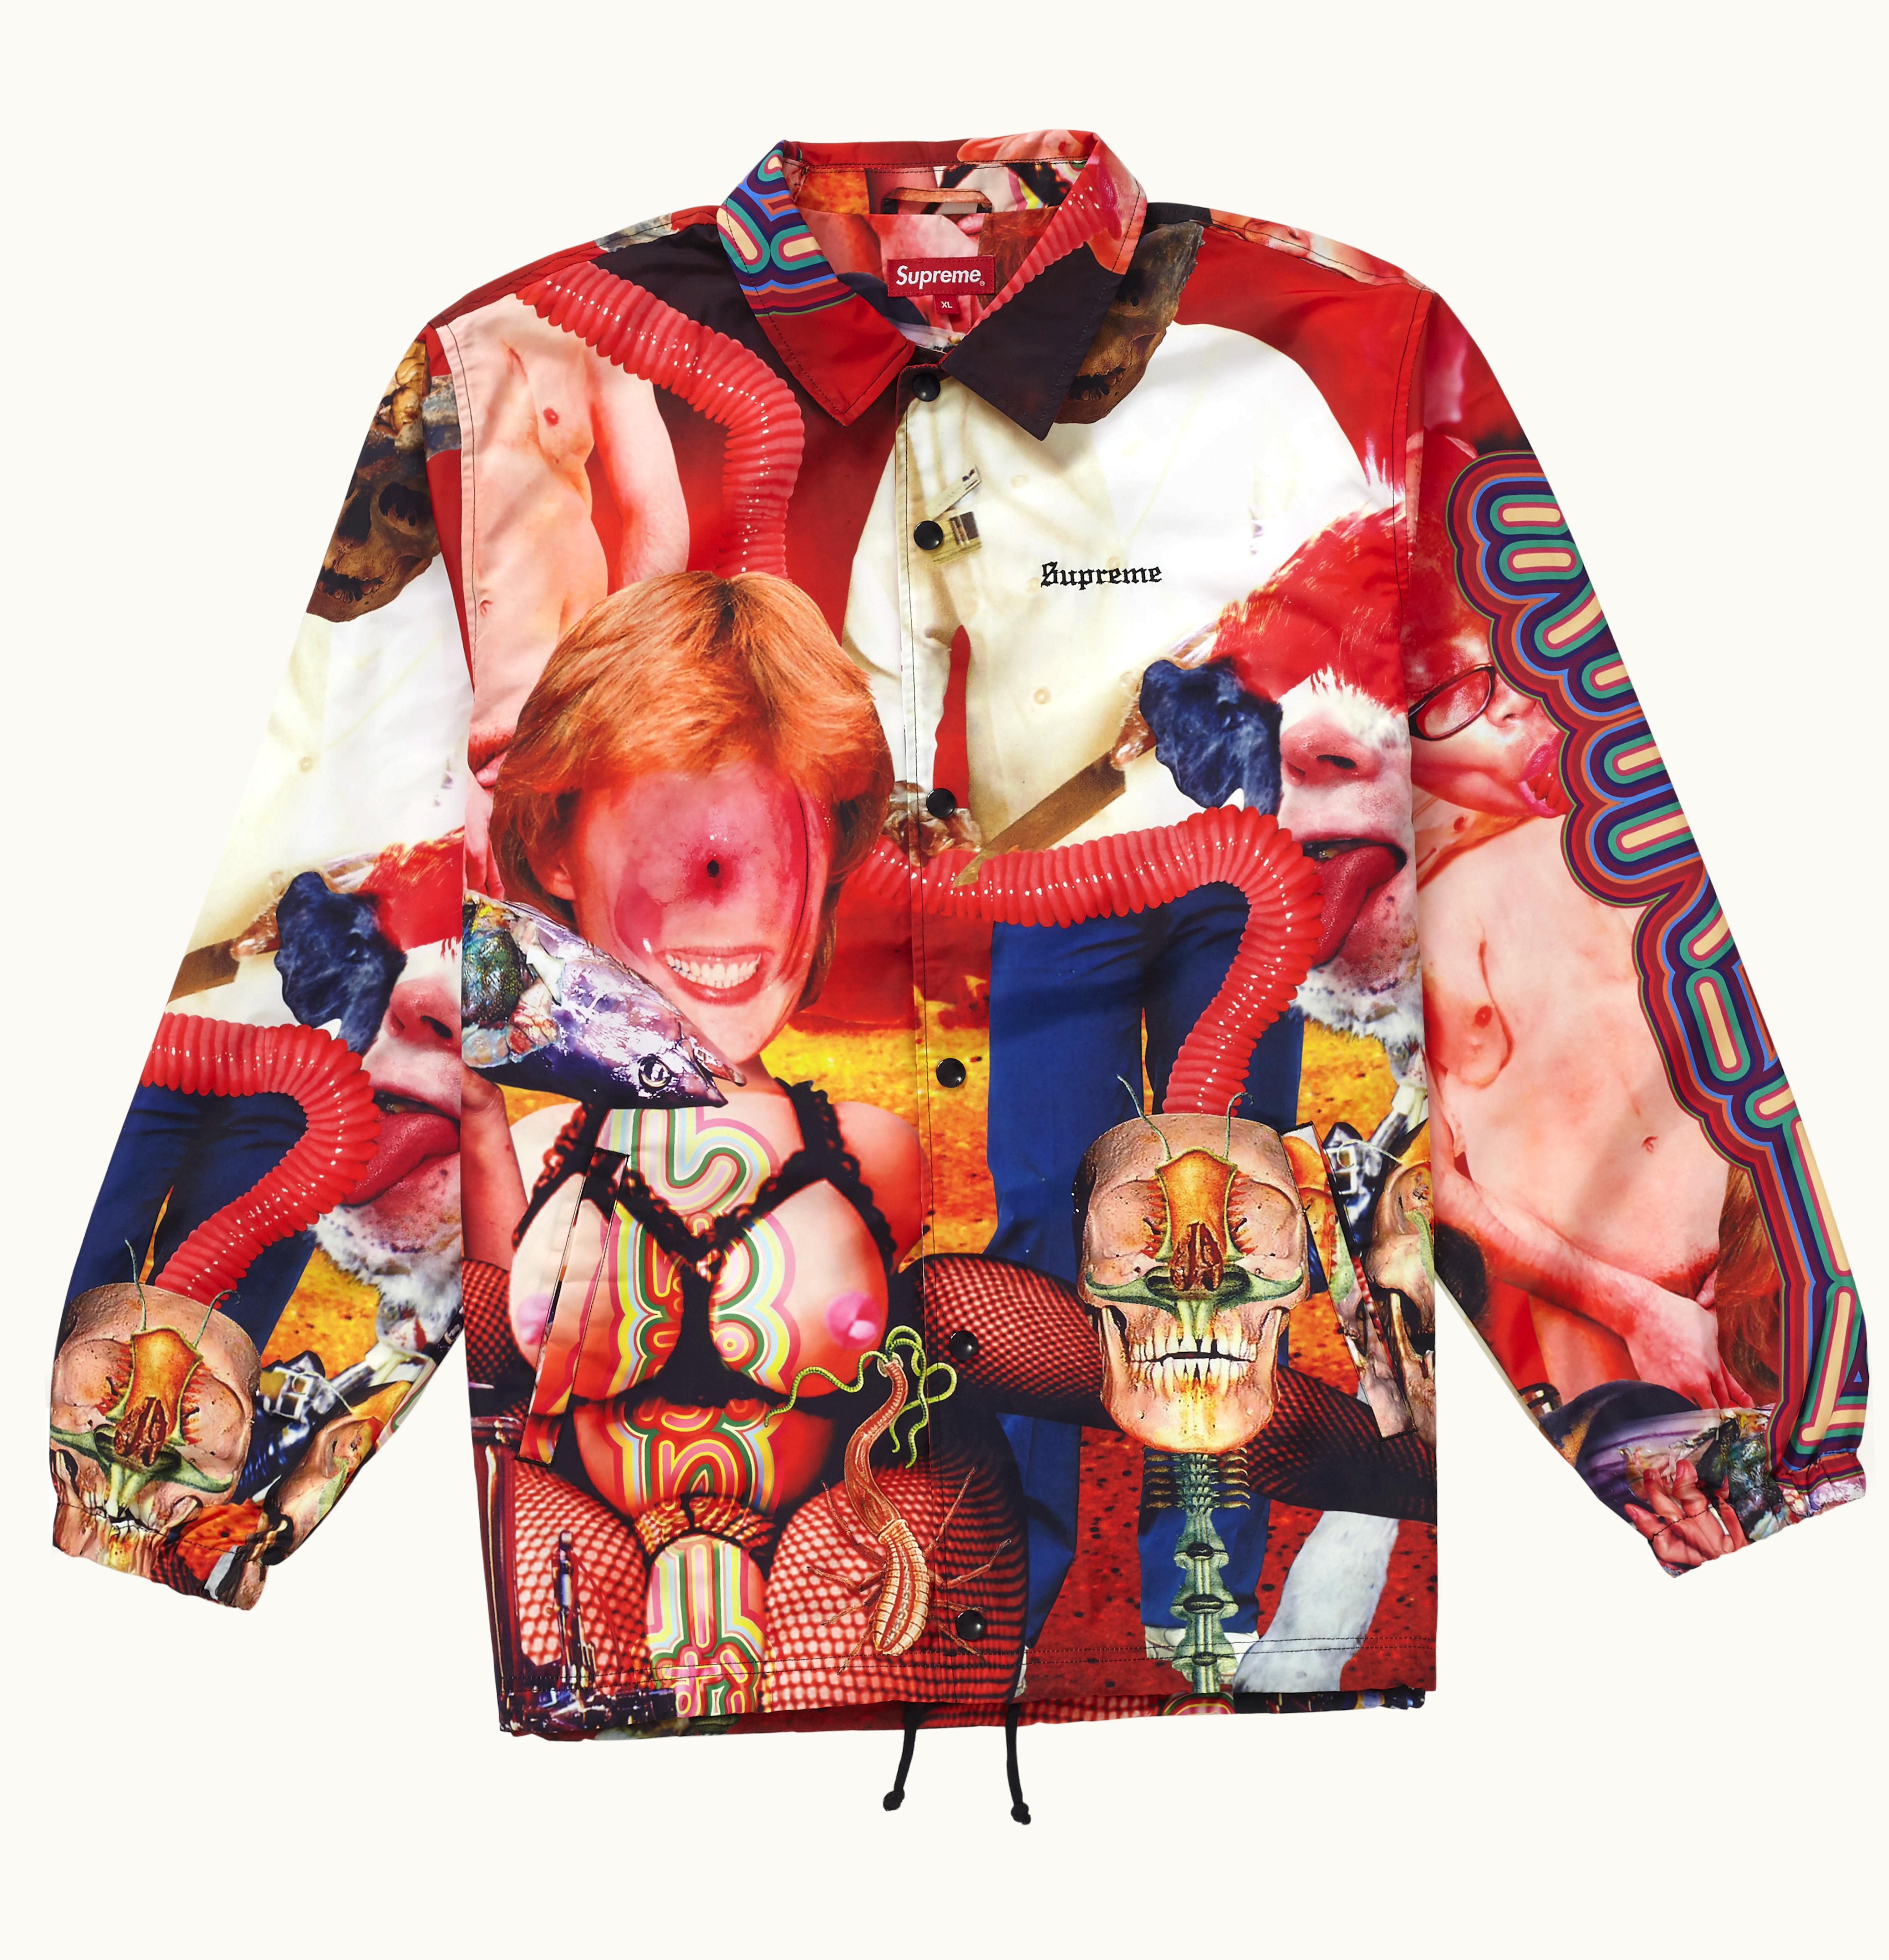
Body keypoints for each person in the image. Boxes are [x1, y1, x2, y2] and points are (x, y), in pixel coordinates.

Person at [459, 571, 923, 1720]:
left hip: (841, 1670)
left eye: (776, 839)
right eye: (676, 837)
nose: (730, 895)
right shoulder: (521, 1147)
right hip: (583, 1643)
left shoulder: (880, 1160)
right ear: (556, 849)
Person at [452, 292, 691, 890]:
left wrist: (594, 704)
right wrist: (436, 761)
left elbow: (657, 516)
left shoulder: (588, 308)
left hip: (557, 715)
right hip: (430, 717)